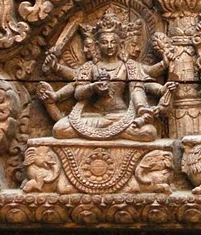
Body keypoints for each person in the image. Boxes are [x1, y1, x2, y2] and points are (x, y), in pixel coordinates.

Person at [38, 14, 174, 141]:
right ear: (97, 45)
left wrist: (163, 87)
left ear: (120, 44)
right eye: (104, 42)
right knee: (59, 129)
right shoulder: (90, 67)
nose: (109, 46)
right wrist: (93, 87)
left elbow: (146, 81)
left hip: (120, 116)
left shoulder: (130, 66)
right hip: (91, 117)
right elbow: (78, 92)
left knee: (149, 132)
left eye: (113, 42)